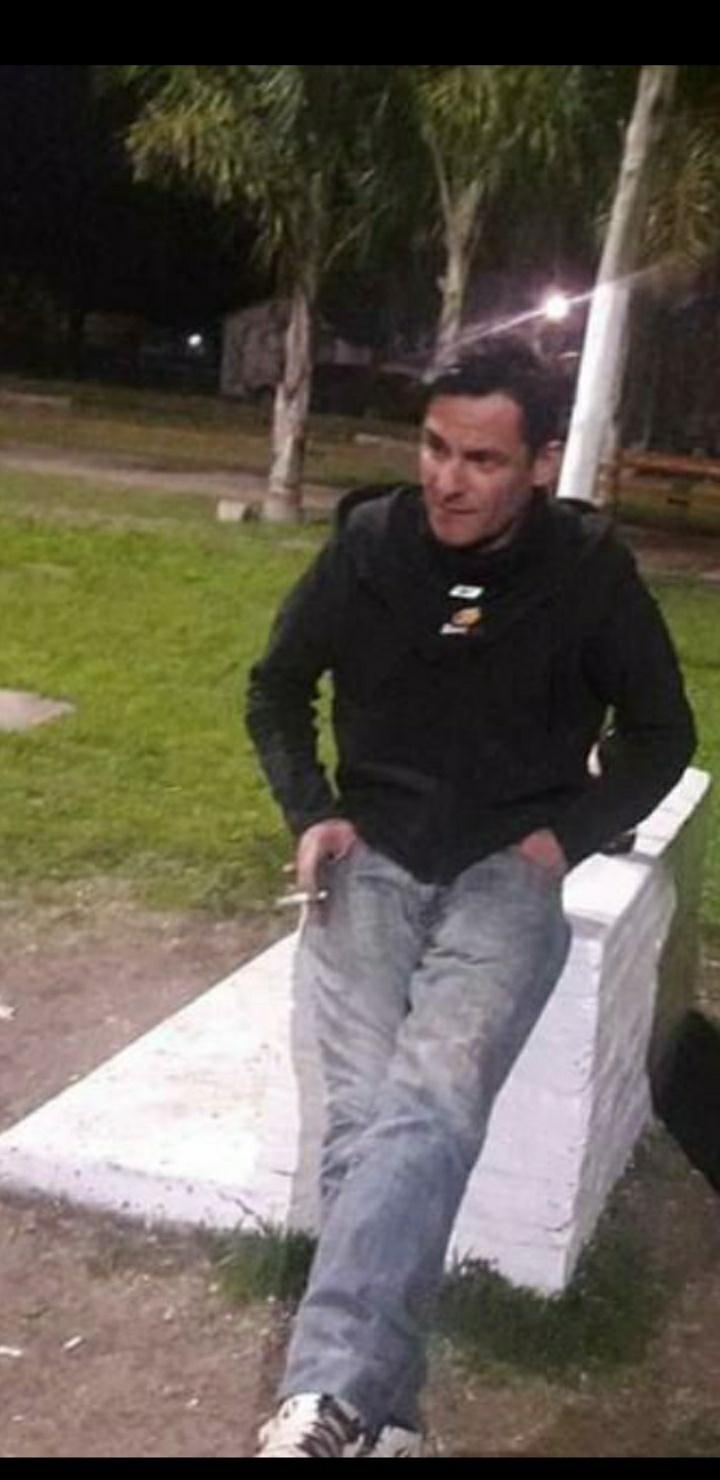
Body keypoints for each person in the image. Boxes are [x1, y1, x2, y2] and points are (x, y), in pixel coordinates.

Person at [245, 339, 696, 1459]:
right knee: (368, 1123)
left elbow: (662, 734)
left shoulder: (588, 572)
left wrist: (567, 837)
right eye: (436, 448)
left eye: (483, 460)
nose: (448, 480)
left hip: (507, 869)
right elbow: (277, 686)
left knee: (431, 1100)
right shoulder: (368, 547)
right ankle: (379, 1416)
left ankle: (324, 1401)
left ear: (541, 462)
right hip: (373, 855)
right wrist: (312, 812)